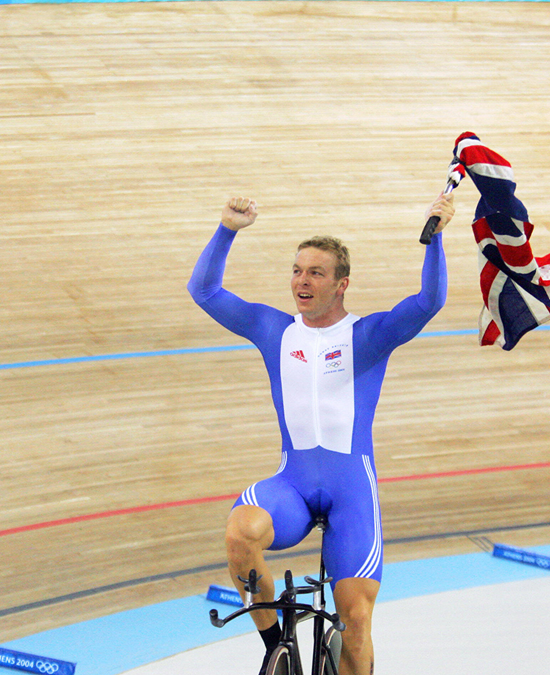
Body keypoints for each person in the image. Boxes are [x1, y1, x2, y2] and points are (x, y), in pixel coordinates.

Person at [187, 191, 455, 675]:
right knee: (239, 533)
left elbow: (428, 302)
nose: (301, 281)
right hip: (292, 486)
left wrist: (434, 240)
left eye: (315, 272)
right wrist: (227, 229)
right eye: (296, 270)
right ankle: (274, 648)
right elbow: (205, 292)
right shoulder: (274, 330)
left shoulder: (367, 336)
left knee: (355, 618)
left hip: (351, 491)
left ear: (341, 284)